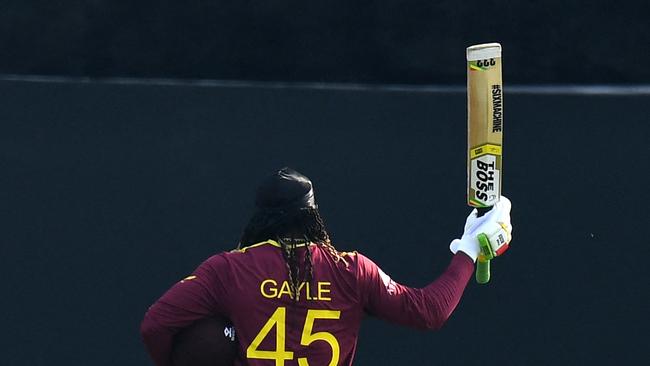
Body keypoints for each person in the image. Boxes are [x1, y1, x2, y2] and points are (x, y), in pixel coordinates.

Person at [141, 167, 513, 366]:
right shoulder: (350, 271)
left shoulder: (228, 269)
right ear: (314, 215)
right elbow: (431, 311)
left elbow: (154, 325)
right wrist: (467, 251)